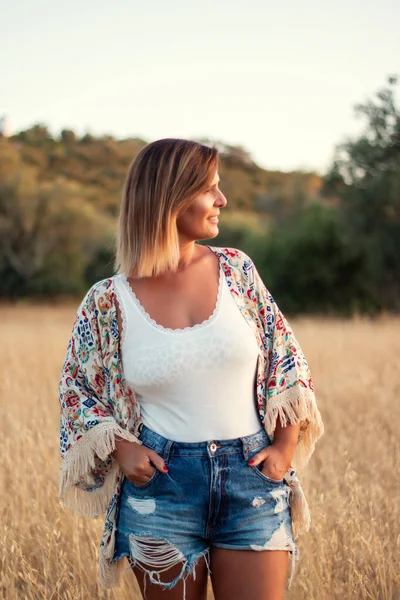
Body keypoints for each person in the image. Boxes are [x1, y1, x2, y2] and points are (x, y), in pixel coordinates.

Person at [58, 138, 324, 600]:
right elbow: (77, 390)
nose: (222, 200)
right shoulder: (106, 301)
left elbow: (287, 358)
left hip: (252, 481)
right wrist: (121, 449)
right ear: (170, 197)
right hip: (161, 490)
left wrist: (284, 448)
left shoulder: (238, 271)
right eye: (210, 190)